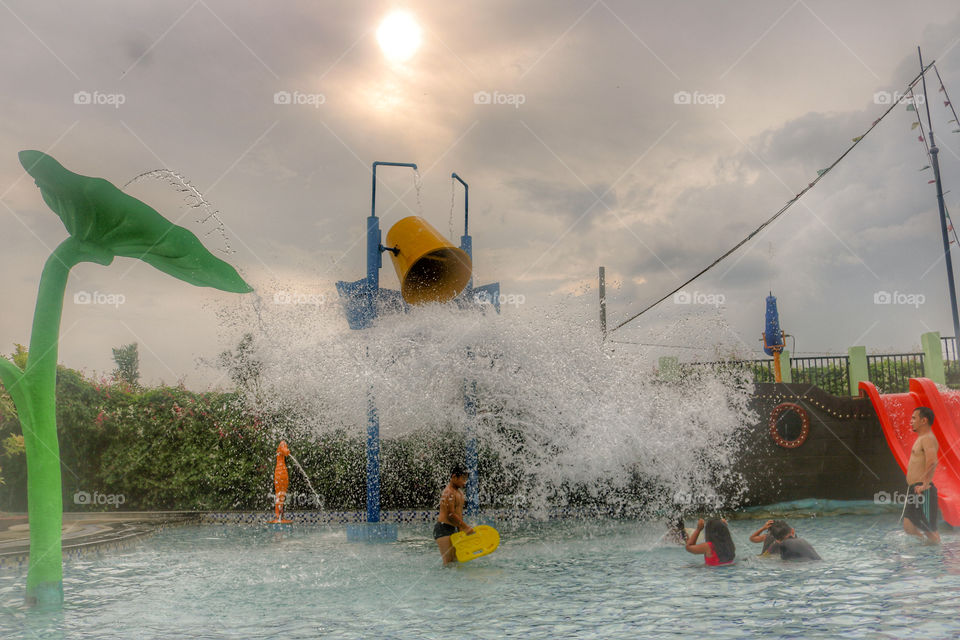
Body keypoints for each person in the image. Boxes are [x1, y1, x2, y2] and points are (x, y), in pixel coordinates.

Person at [902, 406, 941, 544]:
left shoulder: (928, 438)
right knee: (908, 526)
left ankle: (937, 558)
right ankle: (927, 549)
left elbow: (932, 461)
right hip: (915, 489)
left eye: (914, 418)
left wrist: (925, 484)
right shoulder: (922, 438)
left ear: (924, 420)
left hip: (923, 489)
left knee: (929, 529)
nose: (911, 421)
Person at [434, 465, 475, 565]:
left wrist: (461, 530)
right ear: (454, 477)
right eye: (462, 479)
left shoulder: (459, 492)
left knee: (456, 562)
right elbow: (451, 515)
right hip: (443, 529)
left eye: (466, 479)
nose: (464, 482)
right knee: (448, 563)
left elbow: (459, 513)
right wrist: (466, 527)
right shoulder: (448, 492)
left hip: (454, 529)